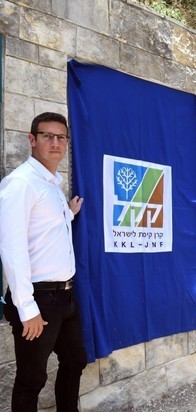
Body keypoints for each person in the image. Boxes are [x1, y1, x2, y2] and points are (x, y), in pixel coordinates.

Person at [0, 112, 87, 411]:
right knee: (31, 380)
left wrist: (69, 213)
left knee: (75, 360)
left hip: (66, 297)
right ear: (32, 139)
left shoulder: (51, 184)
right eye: (47, 136)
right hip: (38, 299)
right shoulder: (20, 183)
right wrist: (27, 309)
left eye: (61, 137)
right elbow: (12, 248)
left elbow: (43, 228)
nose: (55, 143)